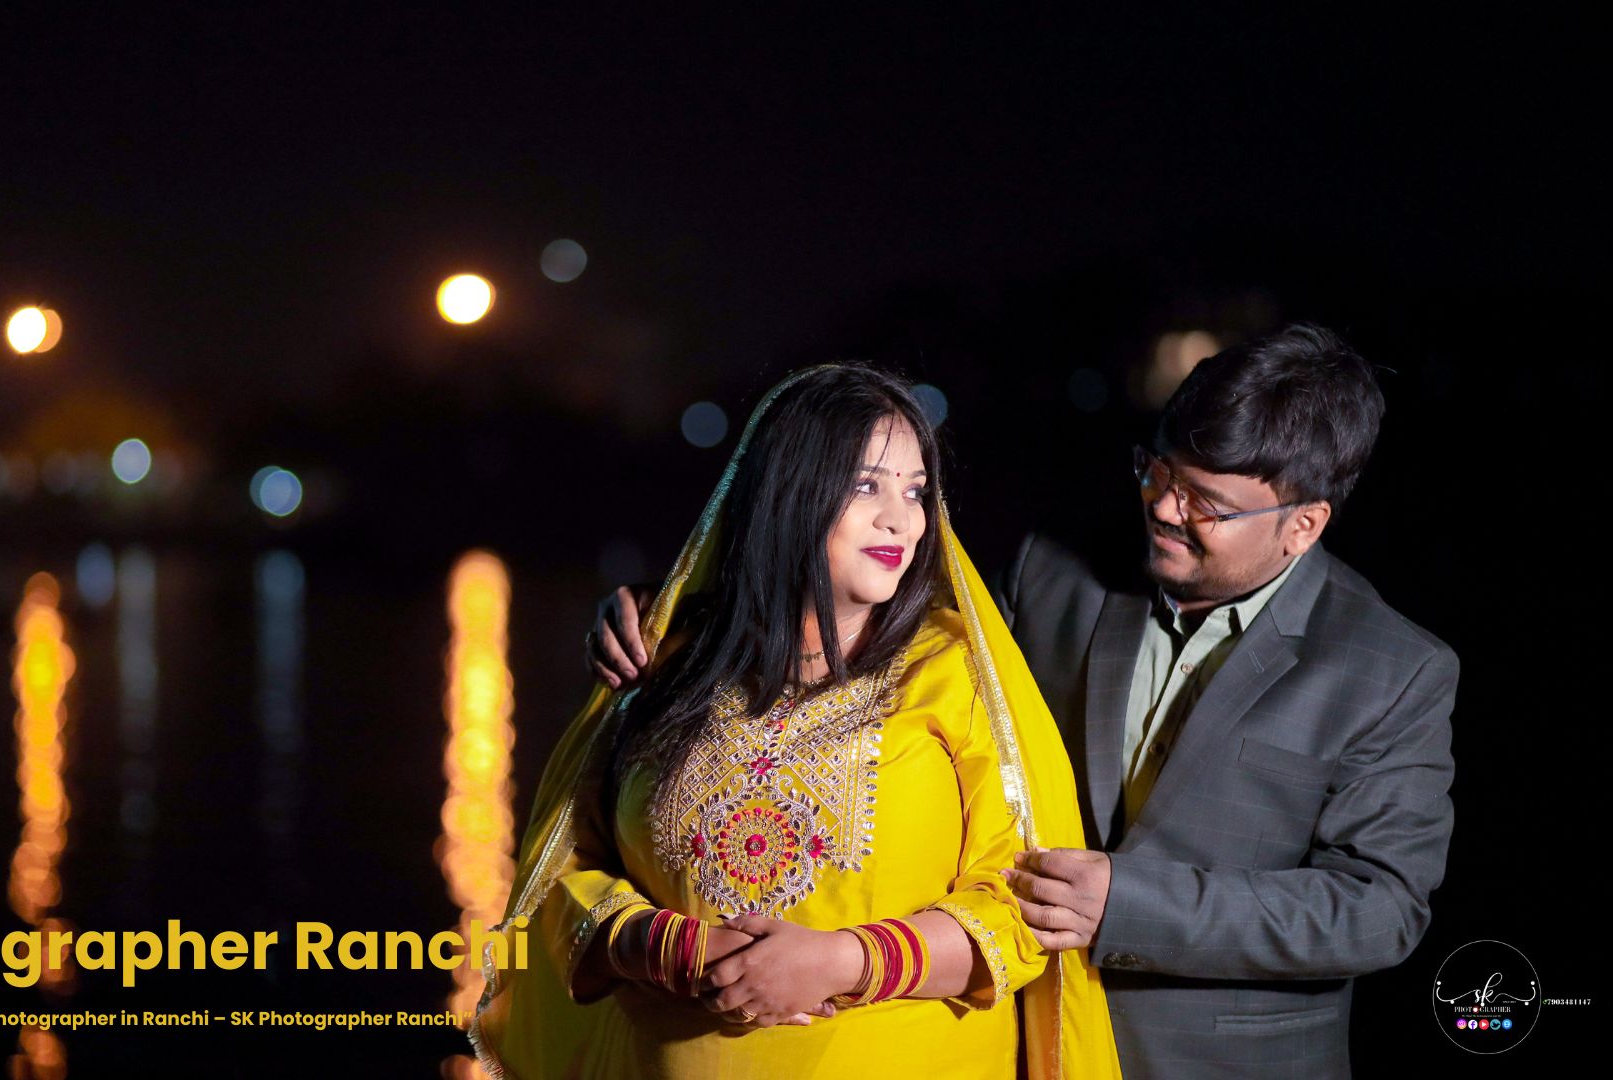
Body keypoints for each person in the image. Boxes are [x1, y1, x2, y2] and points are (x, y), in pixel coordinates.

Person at [588, 326, 1458, 1079]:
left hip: (1215, 1056)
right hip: (1017, 1039)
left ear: (1302, 525)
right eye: (1157, 468)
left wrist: (1130, 903)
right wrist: (675, 612)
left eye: (1205, 502)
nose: (1160, 505)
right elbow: (866, 621)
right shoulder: (1057, 575)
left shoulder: (1388, 668)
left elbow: (1380, 908)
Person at [472, 364, 1119, 1079]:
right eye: (865, 484)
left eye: (915, 491)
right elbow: (559, 876)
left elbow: (1026, 909)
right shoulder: (665, 655)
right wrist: (669, 948)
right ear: (787, 493)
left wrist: (844, 961)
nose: (900, 519)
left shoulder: (956, 674)